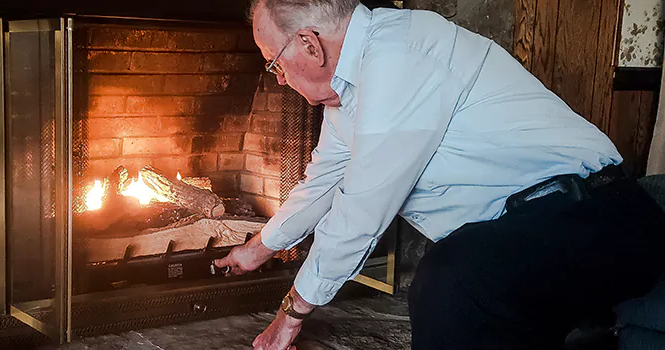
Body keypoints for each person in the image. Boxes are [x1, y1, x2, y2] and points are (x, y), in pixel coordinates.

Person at [213, 0, 665, 349]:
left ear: (310, 44)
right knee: (461, 269)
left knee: (451, 281)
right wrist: (256, 250)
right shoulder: (353, 90)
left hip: (599, 218)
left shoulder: (400, 55)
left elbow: (361, 208)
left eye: (273, 61)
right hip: (535, 229)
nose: (277, 78)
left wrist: (291, 314)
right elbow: (322, 181)